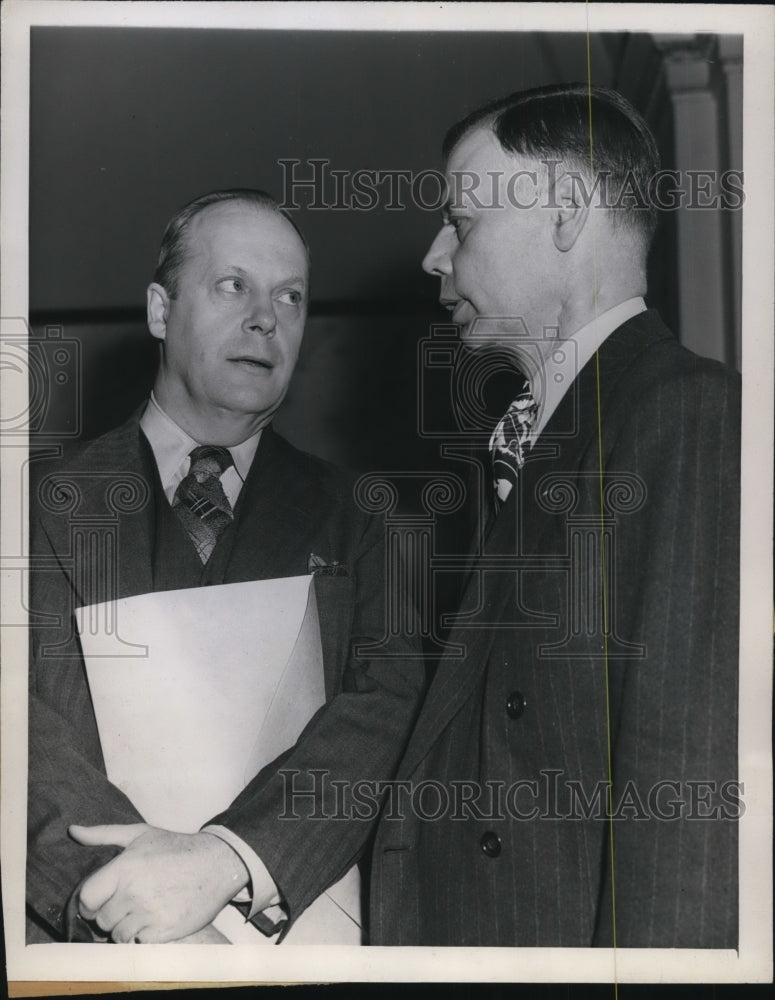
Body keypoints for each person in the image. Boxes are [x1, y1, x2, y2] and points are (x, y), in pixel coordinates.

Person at [368, 84, 740, 947]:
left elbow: (686, 790)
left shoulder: (687, 416)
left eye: (461, 222)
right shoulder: (544, 437)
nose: (433, 255)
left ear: (565, 212)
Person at [27, 189, 423, 944]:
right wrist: (124, 897)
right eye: (233, 285)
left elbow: (387, 713)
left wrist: (228, 865)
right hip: (78, 940)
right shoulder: (26, 503)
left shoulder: (368, 519)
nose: (266, 318)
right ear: (158, 311)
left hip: (292, 938)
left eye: (290, 297)